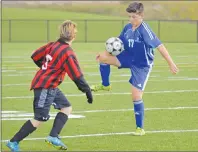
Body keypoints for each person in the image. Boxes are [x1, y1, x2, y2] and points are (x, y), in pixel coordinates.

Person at [92, 2, 179, 135]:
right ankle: (105, 85)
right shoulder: (127, 27)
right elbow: (117, 44)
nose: (131, 20)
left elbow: (160, 46)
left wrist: (171, 63)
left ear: (141, 16)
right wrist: (105, 54)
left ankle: (140, 128)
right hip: (127, 57)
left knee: (136, 95)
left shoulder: (145, 30)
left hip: (141, 64)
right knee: (103, 59)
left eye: (134, 17)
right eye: (129, 17)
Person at [6, 20, 93, 151]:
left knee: (66, 107)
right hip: (45, 87)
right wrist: (87, 91)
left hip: (50, 86)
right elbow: (76, 75)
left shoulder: (52, 45)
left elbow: (35, 56)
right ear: (74, 36)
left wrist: (46, 68)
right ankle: (13, 142)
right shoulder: (67, 52)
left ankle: (53, 136)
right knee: (40, 118)